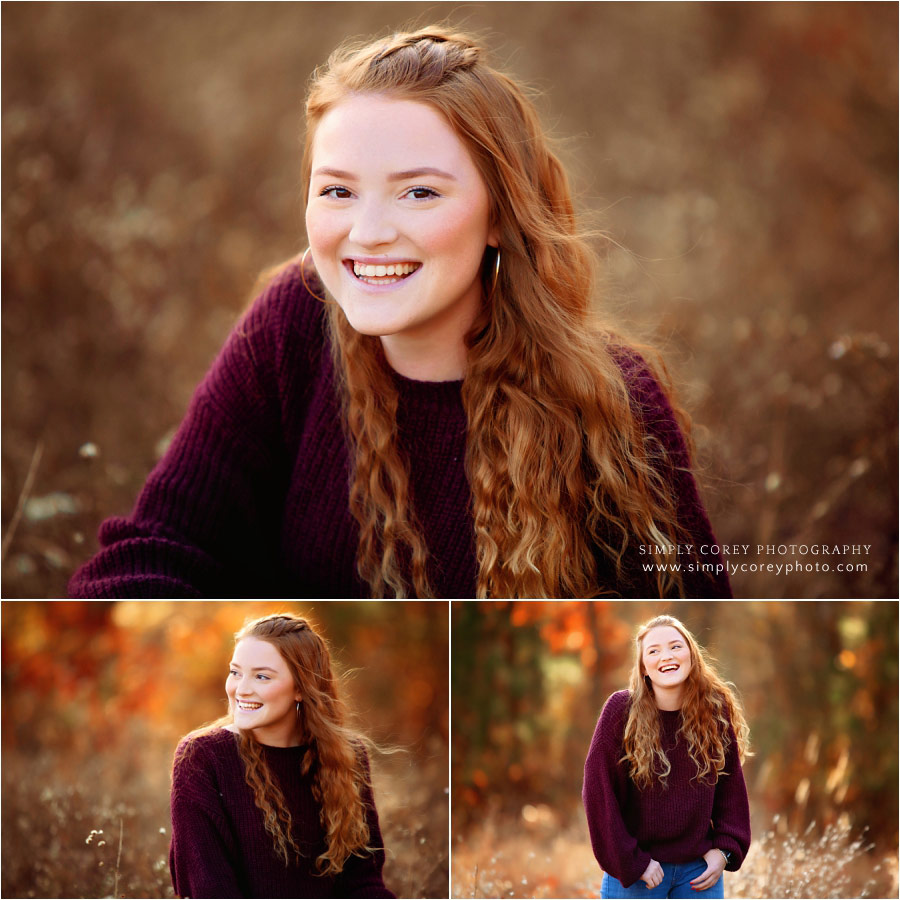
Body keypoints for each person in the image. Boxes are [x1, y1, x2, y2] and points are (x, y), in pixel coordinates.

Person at [68, 26, 732, 599]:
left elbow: (687, 616)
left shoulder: (611, 402)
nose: (370, 232)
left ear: (499, 214)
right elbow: (159, 549)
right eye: (337, 191)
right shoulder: (293, 325)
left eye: (418, 192)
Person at [168, 613, 394, 899]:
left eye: (261, 676)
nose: (241, 689)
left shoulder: (347, 756)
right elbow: (210, 888)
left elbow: (363, 884)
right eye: (235, 672)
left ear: (300, 688)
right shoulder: (202, 757)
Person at [582, 615, 751, 898]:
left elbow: (730, 787)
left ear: (691, 656)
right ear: (644, 668)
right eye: (653, 650)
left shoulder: (714, 711)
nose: (666, 656)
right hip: (639, 875)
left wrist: (724, 850)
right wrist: (633, 862)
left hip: (697, 876)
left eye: (675, 646)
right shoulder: (620, 711)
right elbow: (599, 793)